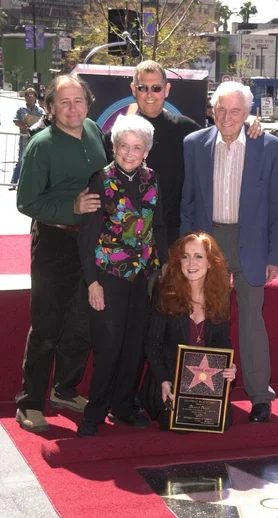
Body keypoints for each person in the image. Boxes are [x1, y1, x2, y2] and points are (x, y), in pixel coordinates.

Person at [181, 81, 278, 424]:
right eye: (221, 110)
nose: (227, 118)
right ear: (212, 109)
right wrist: (188, 250)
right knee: (203, 315)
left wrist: (275, 255)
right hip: (207, 242)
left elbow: (277, 204)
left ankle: (259, 397)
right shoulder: (194, 144)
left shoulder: (268, 146)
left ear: (247, 114)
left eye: (235, 111)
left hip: (251, 244)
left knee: (252, 321)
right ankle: (201, 395)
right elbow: (188, 200)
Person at [15, 75, 107, 433]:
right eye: (64, 102)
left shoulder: (96, 132)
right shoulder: (41, 145)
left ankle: (65, 390)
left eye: (79, 101)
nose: (73, 108)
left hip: (92, 241)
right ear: (50, 108)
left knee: (84, 324)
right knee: (48, 325)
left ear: (88, 103)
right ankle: (30, 402)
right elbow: (26, 202)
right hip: (55, 242)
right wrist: (72, 206)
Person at [104, 60, 263, 246]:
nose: (149, 94)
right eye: (142, 87)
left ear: (167, 89)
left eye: (156, 88)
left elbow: (225, 130)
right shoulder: (116, 135)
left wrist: (248, 121)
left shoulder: (188, 130)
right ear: (133, 89)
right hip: (128, 236)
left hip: (177, 235)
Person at [77, 114, 168, 436]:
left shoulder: (152, 178)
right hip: (108, 275)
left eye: (137, 147)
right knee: (109, 346)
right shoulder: (99, 180)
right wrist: (92, 283)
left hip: (142, 277)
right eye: (124, 146)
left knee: (134, 345)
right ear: (114, 147)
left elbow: (158, 226)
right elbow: (87, 237)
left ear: (146, 151)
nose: (130, 153)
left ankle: (124, 406)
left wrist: (164, 267)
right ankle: (95, 412)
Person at [141, 232, 236, 430]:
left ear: (210, 262)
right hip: (170, 377)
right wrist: (164, 381)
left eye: (199, 256)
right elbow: (152, 344)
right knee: (176, 425)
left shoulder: (222, 295)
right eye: (186, 256)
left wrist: (229, 366)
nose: (191, 263)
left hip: (205, 381)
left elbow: (222, 341)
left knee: (222, 423)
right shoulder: (165, 292)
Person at [9, 88, 45, 190]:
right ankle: (14, 183)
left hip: (36, 141)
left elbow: (44, 123)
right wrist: (25, 127)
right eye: (27, 96)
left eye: (31, 96)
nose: (29, 98)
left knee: (35, 162)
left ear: (35, 98)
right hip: (24, 140)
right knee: (20, 161)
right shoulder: (21, 110)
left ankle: (33, 185)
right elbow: (16, 121)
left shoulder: (40, 111)